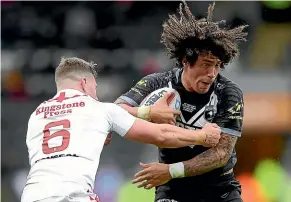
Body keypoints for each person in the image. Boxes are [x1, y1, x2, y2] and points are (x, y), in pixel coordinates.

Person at [21, 57, 221, 202]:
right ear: (84, 83)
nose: (96, 94)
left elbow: (84, 123)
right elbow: (161, 134)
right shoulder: (97, 108)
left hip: (32, 194)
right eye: (94, 87)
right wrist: (202, 136)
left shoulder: (37, 115)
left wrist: (146, 111)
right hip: (72, 195)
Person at [115, 1, 248, 202]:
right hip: (173, 189)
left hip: (219, 189)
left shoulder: (229, 93)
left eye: (218, 66)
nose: (212, 73)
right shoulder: (158, 82)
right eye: (206, 65)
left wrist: (171, 170)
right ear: (186, 61)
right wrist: (147, 113)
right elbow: (115, 111)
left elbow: (221, 153)